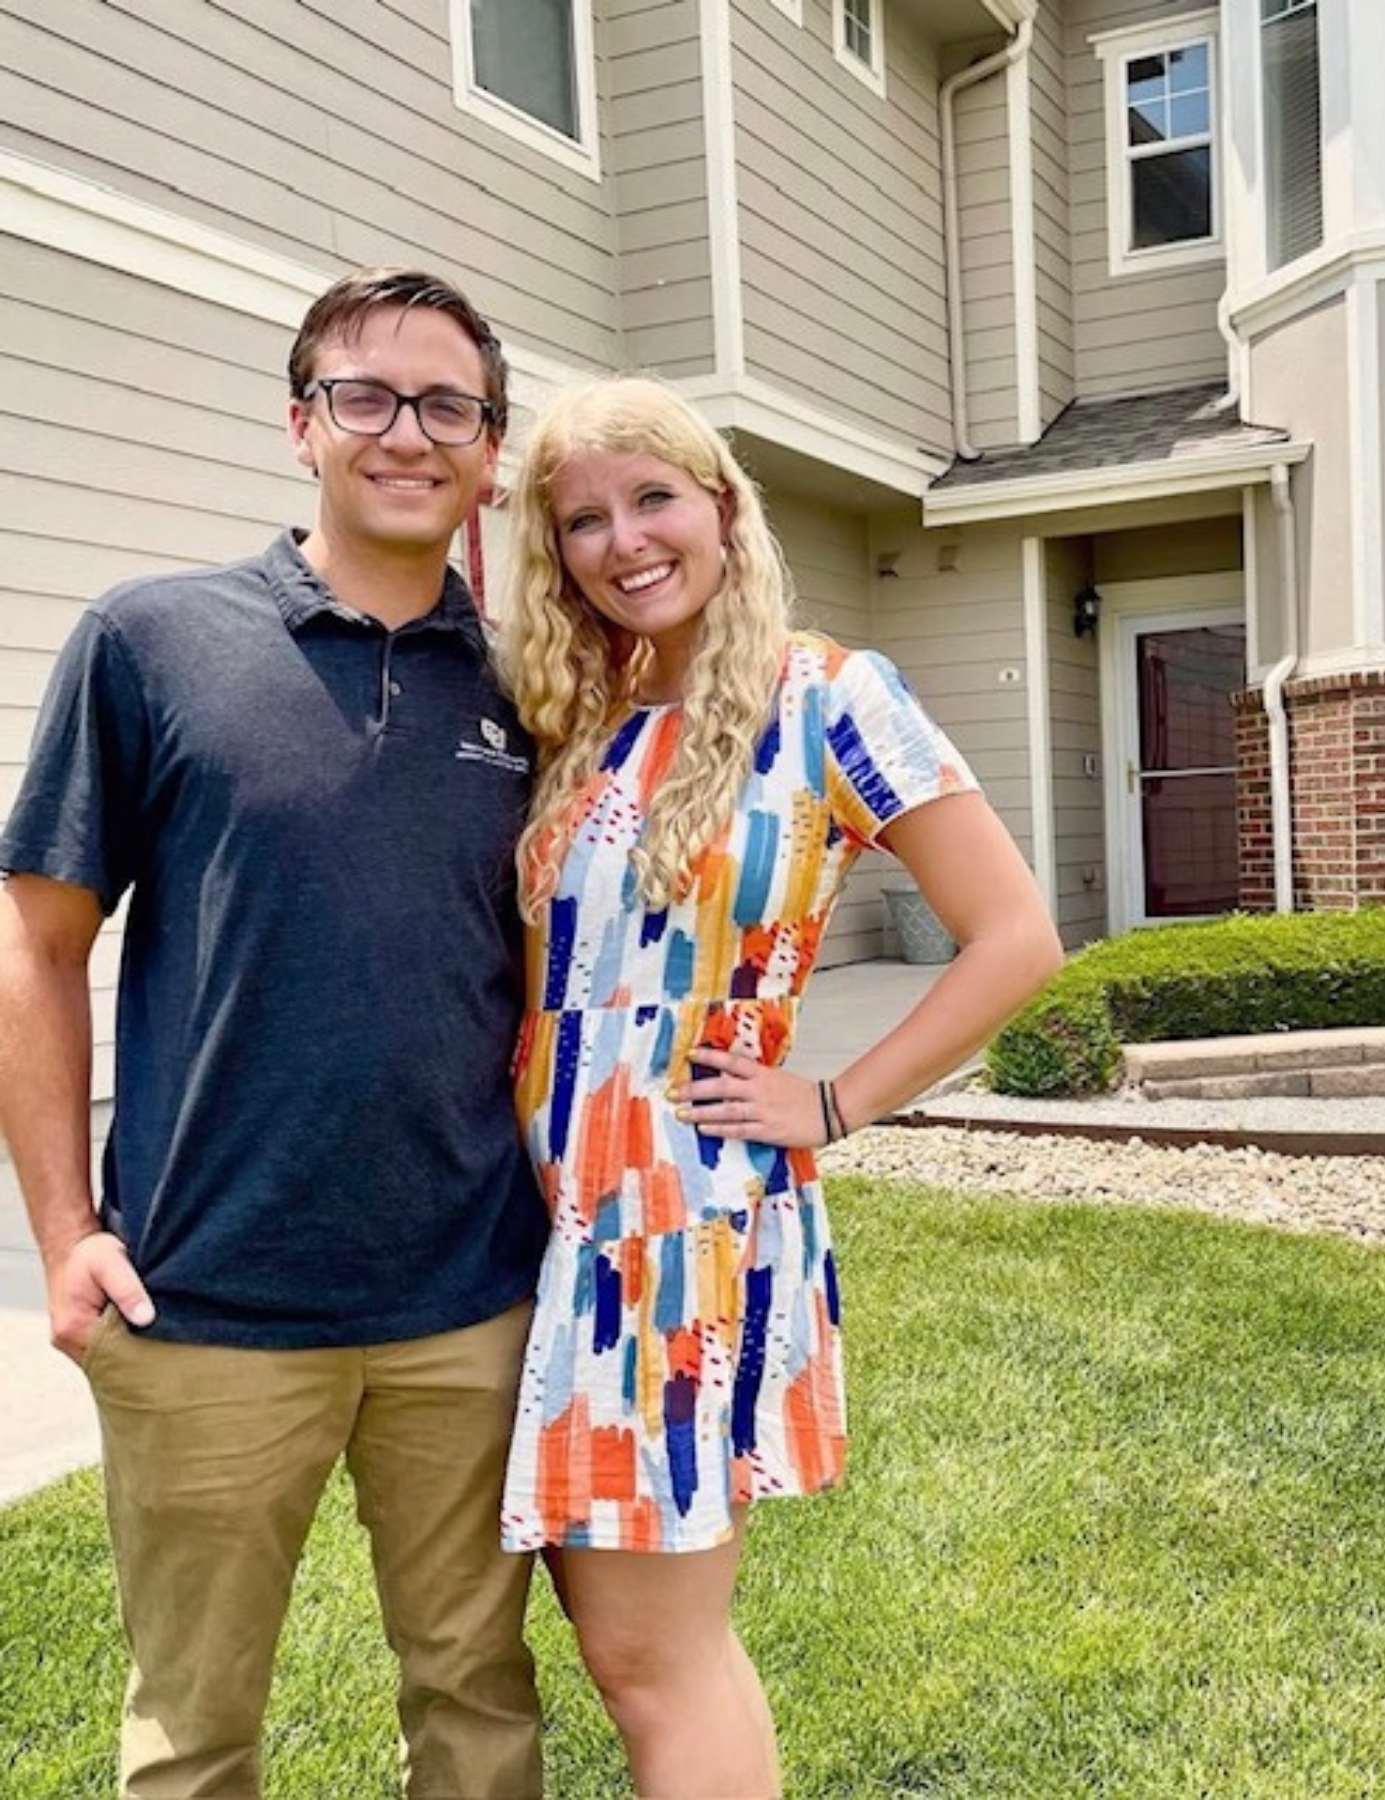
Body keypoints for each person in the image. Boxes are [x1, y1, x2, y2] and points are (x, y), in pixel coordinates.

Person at [0, 267, 549, 1799]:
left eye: (450, 405)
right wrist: (63, 1233)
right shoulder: (151, 640)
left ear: (491, 453)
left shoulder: (535, 684)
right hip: (205, 1305)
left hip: (472, 1302)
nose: (408, 433)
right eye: (366, 396)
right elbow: (37, 952)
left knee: (479, 1707)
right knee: (191, 1739)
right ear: (301, 423)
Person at [495, 375, 1064, 1798]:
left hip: (675, 1224)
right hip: (534, 1220)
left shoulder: (828, 696)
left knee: (650, 1659)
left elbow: (1017, 938)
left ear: (724, 506)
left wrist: (832, 1102)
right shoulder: (572, 711)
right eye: (583, 519)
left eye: (653, 499)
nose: (623, 541)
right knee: (624, 1645)